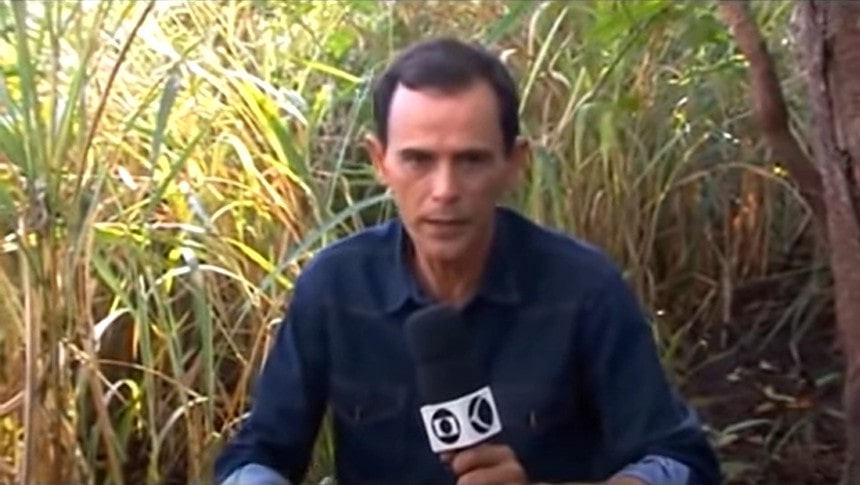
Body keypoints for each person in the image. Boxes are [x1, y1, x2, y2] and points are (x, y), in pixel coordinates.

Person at [213, 37, 723, 485]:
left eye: (472, 160)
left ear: (514, 164)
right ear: (380, 163)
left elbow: (681, 460)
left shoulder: (583, 289)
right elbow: (257, 454)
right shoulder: (335, 286)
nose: (445, 191)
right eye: (418, 159)